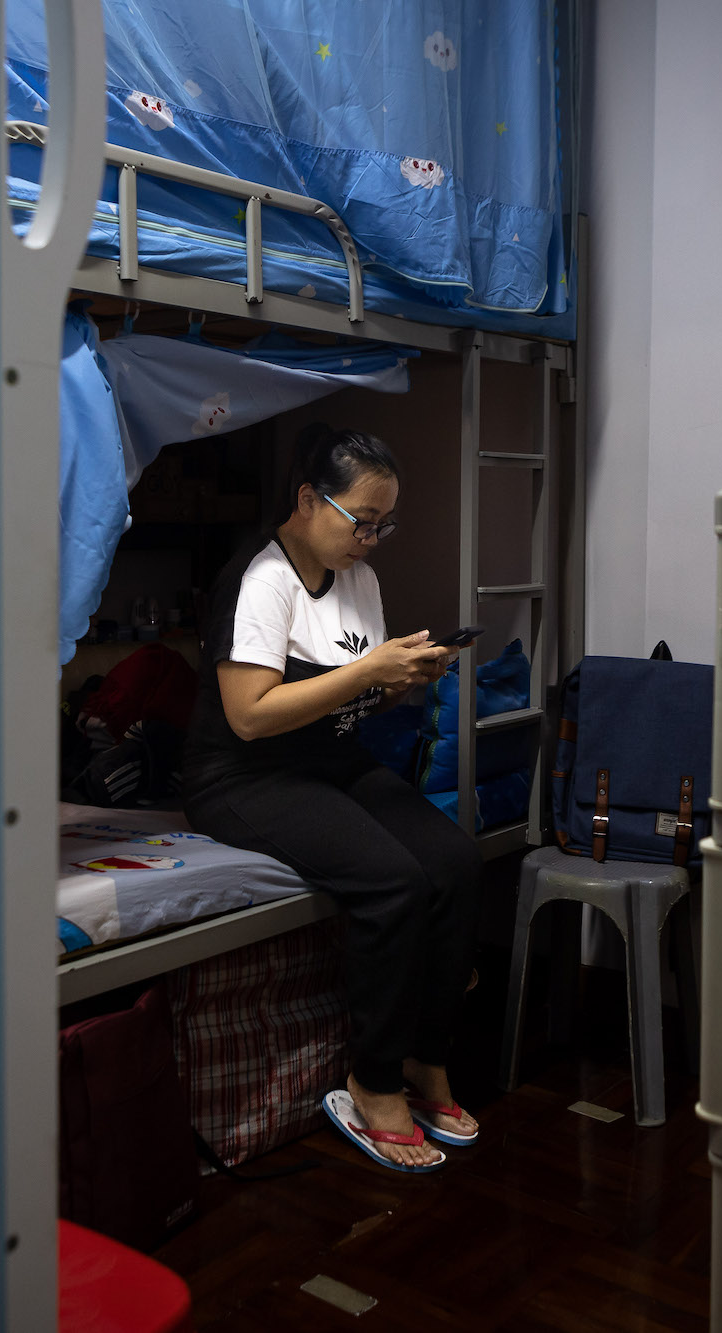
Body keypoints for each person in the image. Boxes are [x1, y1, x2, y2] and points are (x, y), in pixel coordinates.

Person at [184, 425, 484, 1172]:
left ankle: (425, 1058)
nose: (373, 539)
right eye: (362, 522)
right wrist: (366, 675)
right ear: (309, 500)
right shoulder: (259, 579)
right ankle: (372, 1078)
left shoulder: (359, 578)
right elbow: (250, 713)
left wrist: (399, 680)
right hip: (245, 776)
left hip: (328, 759)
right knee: (393, 880)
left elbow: (349, 699)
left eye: (384, 525)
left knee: (453, 859)